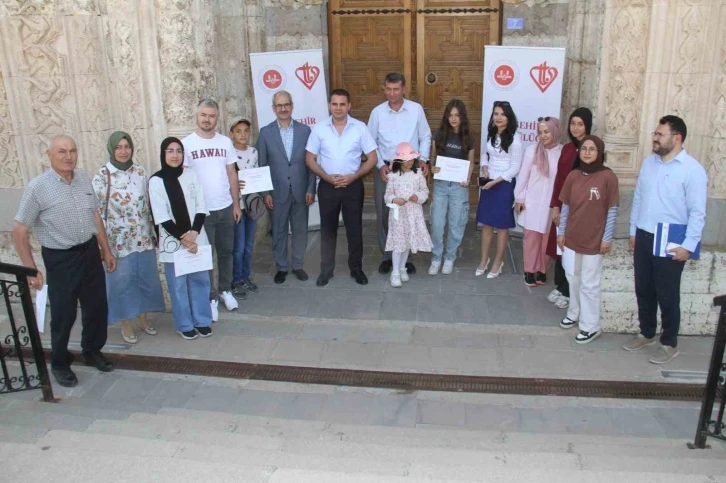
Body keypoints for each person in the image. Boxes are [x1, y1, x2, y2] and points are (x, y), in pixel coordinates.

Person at [13, 135, 116, 387]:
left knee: (96, 307)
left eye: (72, 151)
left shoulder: (82, 177)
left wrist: (106, 249)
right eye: (61, 152)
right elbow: (19, 230)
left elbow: (95, 215)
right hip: (60, 258)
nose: (68, 156)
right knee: (63, 313)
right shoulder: (38, 187)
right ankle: (59, 362)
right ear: (49, 155)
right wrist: (30, 269)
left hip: (89, 252)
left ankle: (91, 351)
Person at [623, 115, 708, 364]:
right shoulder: (649, 164)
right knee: (643, 288)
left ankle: (669, 342)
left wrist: (688, 247)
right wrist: (633, 231)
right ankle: (646, 332)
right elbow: (639, 198)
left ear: (677, 138)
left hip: (672, 240)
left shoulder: (692, 170)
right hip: (644, 235)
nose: (655, 138)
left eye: (660, 134)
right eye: (655, 134)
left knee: (667, 293)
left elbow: (697, 212)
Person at [92, 131, 165, 344]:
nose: (123, 151)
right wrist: (103, 246)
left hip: (143, 238)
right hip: (118, 242)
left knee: (145, 280)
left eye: (127, 147)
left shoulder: (140, 171)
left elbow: (149, 205)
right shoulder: (102, 176)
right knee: (121, 283)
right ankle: (126, 323)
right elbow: (95, 213)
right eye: (119, 147)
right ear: (112, 149)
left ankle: (143, 318)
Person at [306, 88, 378, 287]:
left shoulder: (360, 127)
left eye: (342, 104)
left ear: (349, 106)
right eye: (334, 104)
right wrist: (326, 177)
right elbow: (309, 159)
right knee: (328, 229)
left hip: (352, 186)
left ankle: (356, 269)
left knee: (354, 229)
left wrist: (354, 176)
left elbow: (373, 158)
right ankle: (326, 270)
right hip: (328, 187)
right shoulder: (319, 129)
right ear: (329, 106)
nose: (338, 108)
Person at [149, 137, 214, 340]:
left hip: (197, 237)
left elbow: (202, 206)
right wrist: (184, 239)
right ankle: (184, 324)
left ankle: (202, 320)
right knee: (178, 286)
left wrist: (194, 233)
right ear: (163, 154)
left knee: (201, 281)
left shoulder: (191, 175)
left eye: (178, 151)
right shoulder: (156, 181)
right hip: (173, 242)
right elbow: (162, 217)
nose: (175, 155)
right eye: (170, 151)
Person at [557, 135, 619, 344]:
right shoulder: (573, 176)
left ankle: (590, 326)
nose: (588, 152)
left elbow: (612, 209)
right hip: (572, 237)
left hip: (595, 240)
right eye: (584, 148)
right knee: (572, 277)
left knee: (589, 284)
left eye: (592, 149)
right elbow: (565, 206)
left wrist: (607, 238)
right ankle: (574, 313)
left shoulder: (608, 177)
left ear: (600, 152)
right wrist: (561, 232)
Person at [367, 72, 431, 276]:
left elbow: (426, 136)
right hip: (385, 170)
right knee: (385, 213)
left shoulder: (416, 110)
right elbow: (369, 141)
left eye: (396, 89)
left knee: (409, 212)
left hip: (410, 169)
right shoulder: (377, 112)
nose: (392, 93)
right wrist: (379, 165)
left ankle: (407, 258)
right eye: (388, 89)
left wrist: (424, 160)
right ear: (384, 89)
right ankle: (388, 256)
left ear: (404, 89)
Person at [182, 98, 240, 321]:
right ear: (197, 116)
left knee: (226, 252)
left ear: (217, 118)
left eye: (212, 115)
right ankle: (211, 298)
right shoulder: (187, 144)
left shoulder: (225, 142)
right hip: (201, 212)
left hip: (225, 207)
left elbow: (232, 173)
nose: (207, 119)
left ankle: (226, 289)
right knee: (206, 256)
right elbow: (184, 180)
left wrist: (236, 204)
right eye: (203, 115)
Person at [257, 90, 315, 285]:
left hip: (300, 191)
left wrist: (310, 189)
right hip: (276, 192)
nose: (283, 108)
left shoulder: (305, 131)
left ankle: (298, 265)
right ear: (274, 108)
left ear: (292, 106)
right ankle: (281, 267)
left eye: (286, 104)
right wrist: (265, 193)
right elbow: (262, 165)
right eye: (279, 105)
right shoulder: (265, 133)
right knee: (279, 231)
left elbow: (311, 163)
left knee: (300, 230)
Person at [547, 107, 593, 308]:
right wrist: (555, 206)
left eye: (580, 124)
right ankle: (560, 285)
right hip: (563, 205)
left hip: (579, 209)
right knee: (560, 246)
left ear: (588, 126)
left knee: (573, 250)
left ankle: (568, 291)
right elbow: (559, 180)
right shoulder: (566, 149)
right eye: (573, 123)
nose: (576, 128)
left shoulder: (591, 149)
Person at [514, 117, 563, 287]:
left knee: (547, 239)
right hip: (532, 201)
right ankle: (529, 270)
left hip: (551, 203)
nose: (543, 136)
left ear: (555, 131)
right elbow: (523, 176)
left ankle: (542, 270)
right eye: (540, 132)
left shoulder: (562, 152)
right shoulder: (532, 150)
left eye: (547, 132)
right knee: (531, 238)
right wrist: (519, 197)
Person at [476, 101, 523, 278]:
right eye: (496, 113)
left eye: (502, 114)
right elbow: (484, 154)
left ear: (509, 117)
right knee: (487, 224)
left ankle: (498, 261)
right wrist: (485, 167)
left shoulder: (515, 139)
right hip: (489, 181)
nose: (498, 117)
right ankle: (484, 260)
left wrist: (496, 181)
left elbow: (515, 167)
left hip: (504, 184)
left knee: (502, 227)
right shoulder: (491, 134)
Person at [429, 99, 475, 275]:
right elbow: (432, 158)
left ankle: (450, 257)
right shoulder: (439, 135)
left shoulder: (468, 136)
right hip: (440, 185)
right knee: (437, 224)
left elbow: (471, 162)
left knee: (456, 224)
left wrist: (468, 177)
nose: (453, 119)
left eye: (457, 115)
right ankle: (436, 257)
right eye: (450, 115)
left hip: (458, 187)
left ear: (462, 116)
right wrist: (433, 168)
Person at [385, 142, 433, 287]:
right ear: (399, 161)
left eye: (411, 158)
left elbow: (425, 191)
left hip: (413, 214)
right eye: (406, 159)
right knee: (398, 243)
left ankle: (402, 267)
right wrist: (394, 199)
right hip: (398, 215)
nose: (410, 161)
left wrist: (418, 197)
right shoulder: (392, 176)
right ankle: (395, 273)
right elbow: (387, 195)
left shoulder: (418, 175)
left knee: (407, 243)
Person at [229, 117, 260, 299]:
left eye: (246, 131)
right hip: (237, 205)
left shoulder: (253, 152)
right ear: (231, 133)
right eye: (238, 131)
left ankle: (246, 276)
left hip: (251, 204)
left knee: (249, 245)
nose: (243, 134)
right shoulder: (228, 153)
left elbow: (256, 173)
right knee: (238, 246)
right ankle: (236, 280)